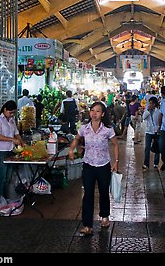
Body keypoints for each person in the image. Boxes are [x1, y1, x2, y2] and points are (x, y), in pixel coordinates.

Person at [68, 101, 119, 237]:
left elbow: (115, 144)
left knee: (103, 191)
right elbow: (77, 139)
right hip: (89, 165)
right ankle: (87, 225)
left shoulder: (108, 129)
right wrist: (71, 149)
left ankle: (104, 216)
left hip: (103, 165)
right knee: (88, 194)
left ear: (102, 114)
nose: (94, 113)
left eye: (97, 111)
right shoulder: (84, 128)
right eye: (92, 110)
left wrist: (116, 162)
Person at [0, 100, 26, 203]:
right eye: (10, 112)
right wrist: (12, 140)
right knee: (1, 177)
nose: (11, 115)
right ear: (5, 109)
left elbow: (16, 133)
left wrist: (22, 142)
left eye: (13, 113)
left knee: (8, 177)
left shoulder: (12, 120)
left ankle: (6, 199)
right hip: (1, 151)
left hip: (11, 151)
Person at [142, 96, 161, 169]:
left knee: (157, 147)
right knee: (147, 147)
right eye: (149, 103)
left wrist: (159, 128)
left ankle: (156, 163)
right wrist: (147, 111)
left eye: (151, 103)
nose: (150, 105)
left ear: (155, 104)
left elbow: (159, 120)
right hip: (148, 131)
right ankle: (146, 164)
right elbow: (143, 118)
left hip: (156, 130)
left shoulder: (158, 111)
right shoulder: (147, 111)